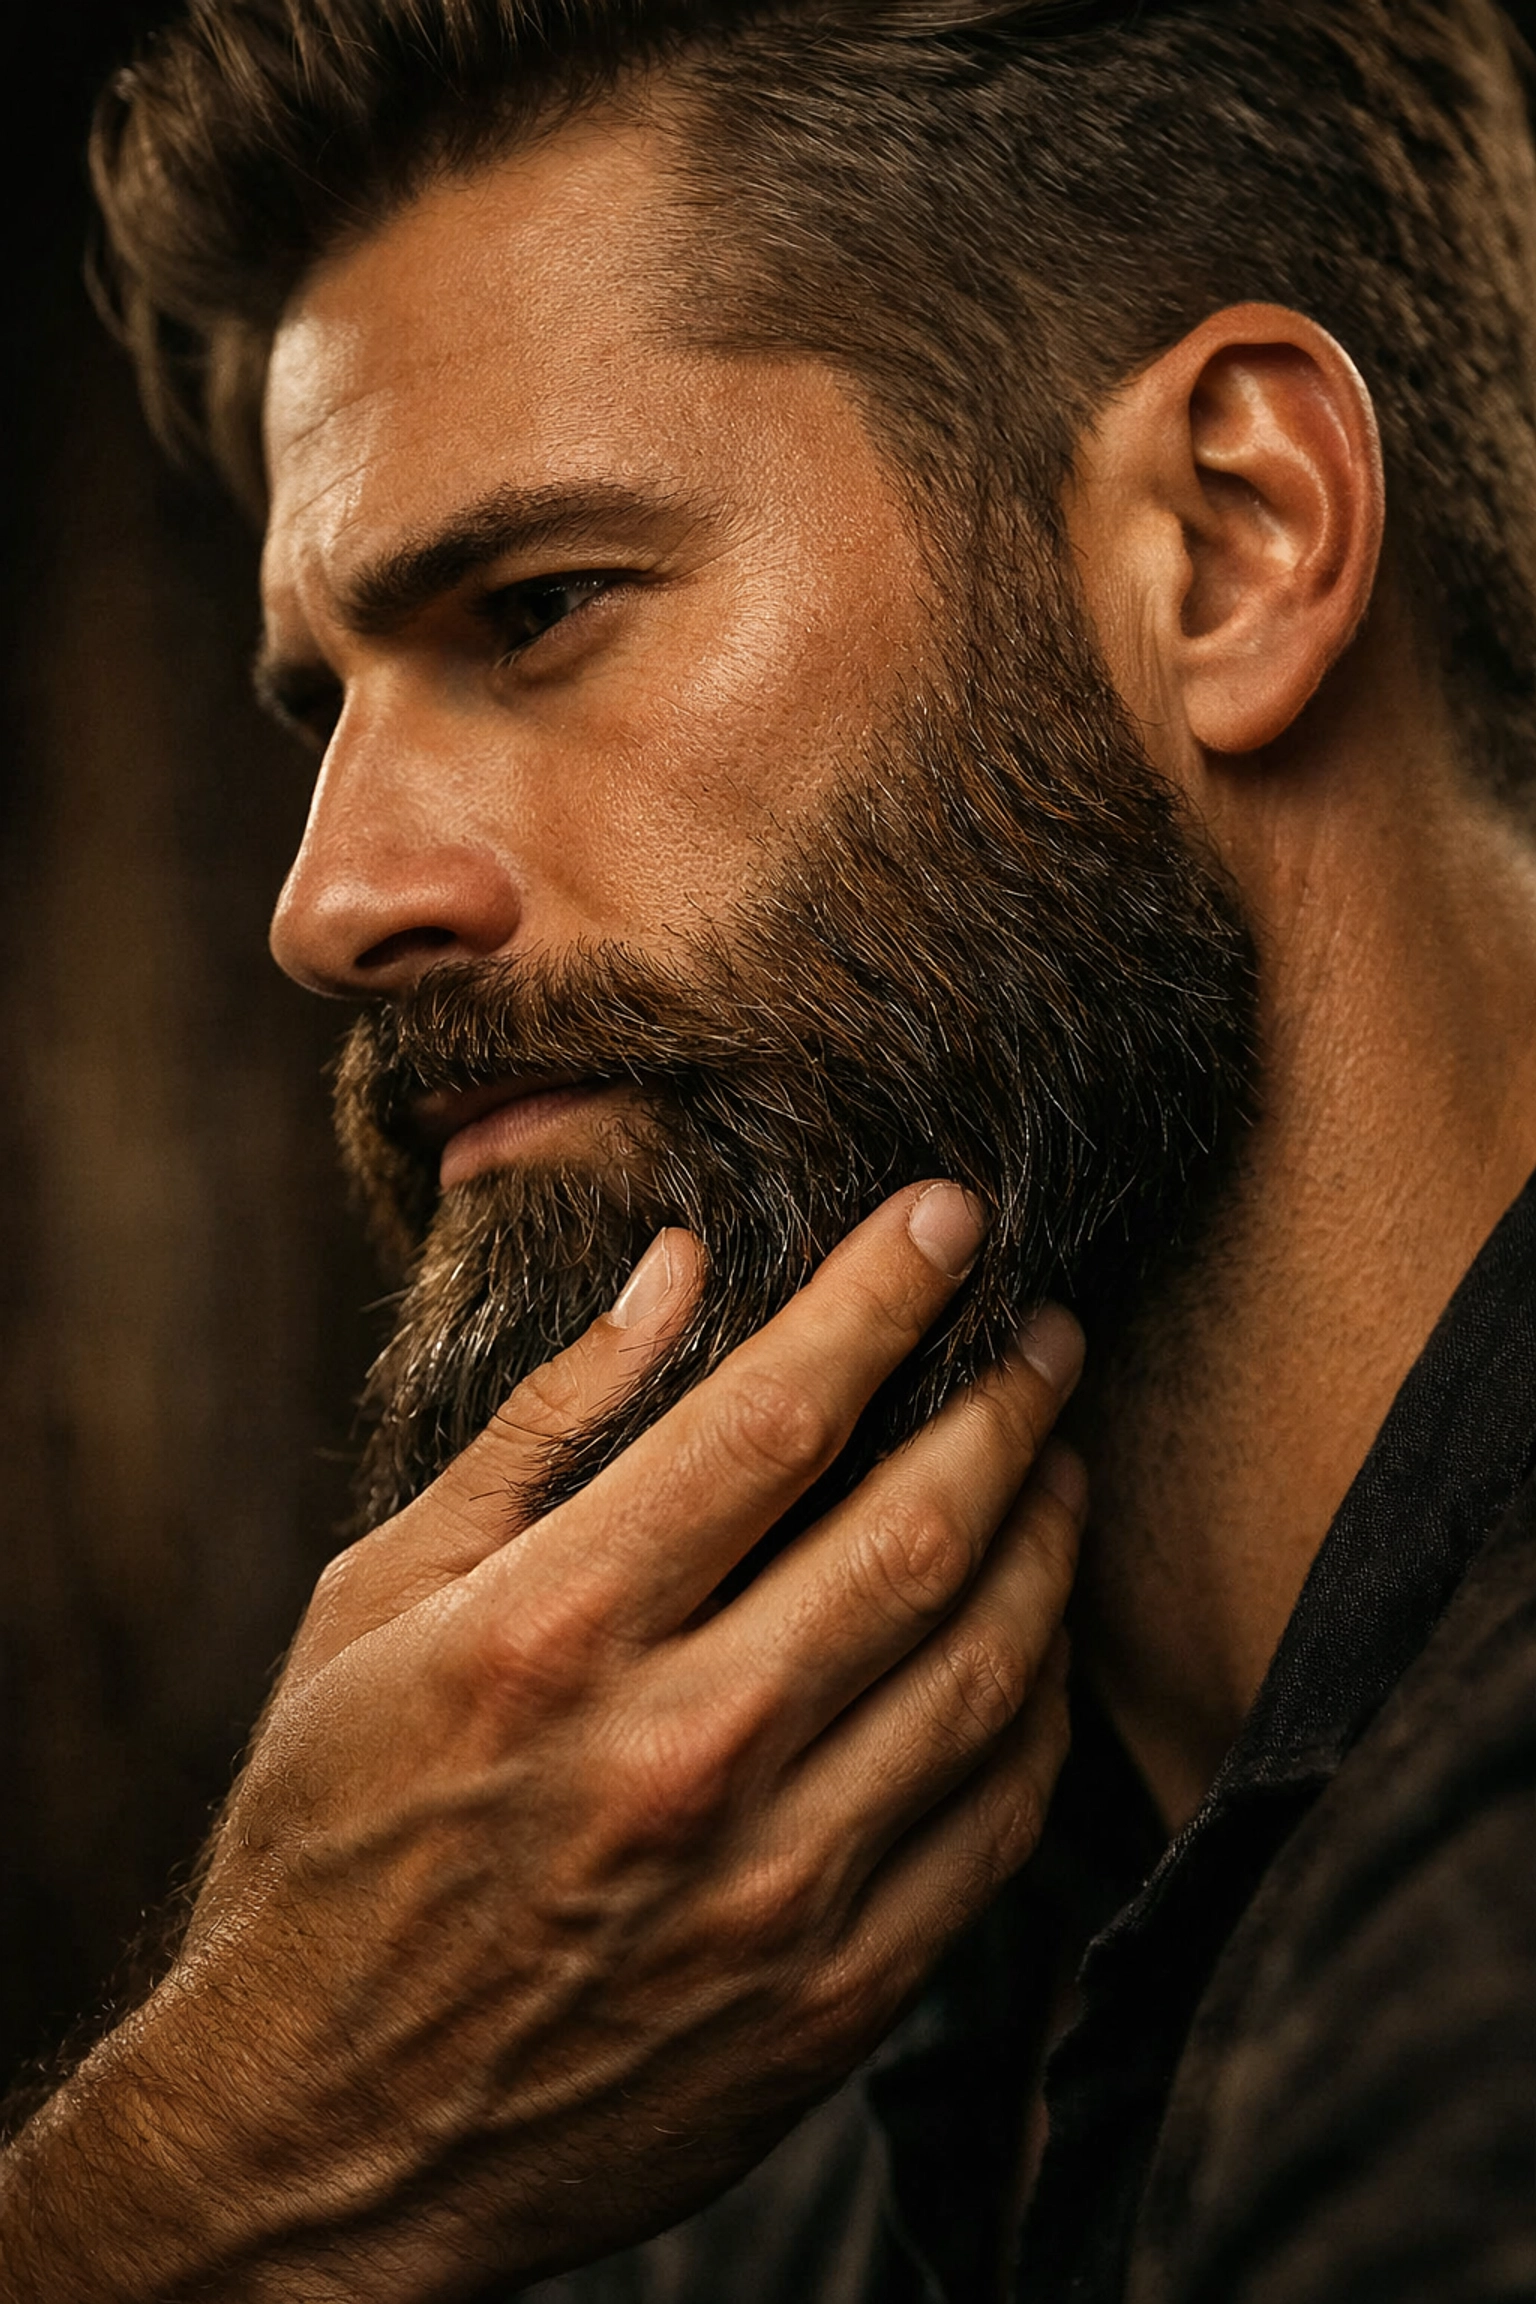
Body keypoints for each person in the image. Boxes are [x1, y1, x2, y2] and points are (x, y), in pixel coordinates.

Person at [4, 0, 1536, 2295]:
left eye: (534, 611)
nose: (328, 905)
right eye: (325, 703)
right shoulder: (660, 2041)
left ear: (1233, 540)